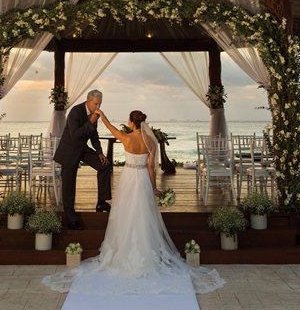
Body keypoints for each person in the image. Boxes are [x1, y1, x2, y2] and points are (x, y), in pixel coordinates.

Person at [43, 108, 223, 295]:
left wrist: (102, 116)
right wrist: (154, 188)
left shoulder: (126, 138)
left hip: (128, 178)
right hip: (143, 180)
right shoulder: (150, 142)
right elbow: (152, 168)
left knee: (125, 214)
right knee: (144, 215)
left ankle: (123, 252)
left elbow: (111, 128)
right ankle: (147, 254)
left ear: (131, 122)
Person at [53, 89, 112, 230]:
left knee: (105, 166)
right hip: (69, 150)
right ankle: (71, 218)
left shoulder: (94, 114)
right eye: (96, 104)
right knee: (69, 186)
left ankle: (101, 201)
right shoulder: (75, 112)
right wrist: (91, 121)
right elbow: (76, 135)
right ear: (88, 100)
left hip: (82, 149)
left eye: (100, 105)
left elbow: (93, 135)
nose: (98, 108)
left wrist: (99, 152)